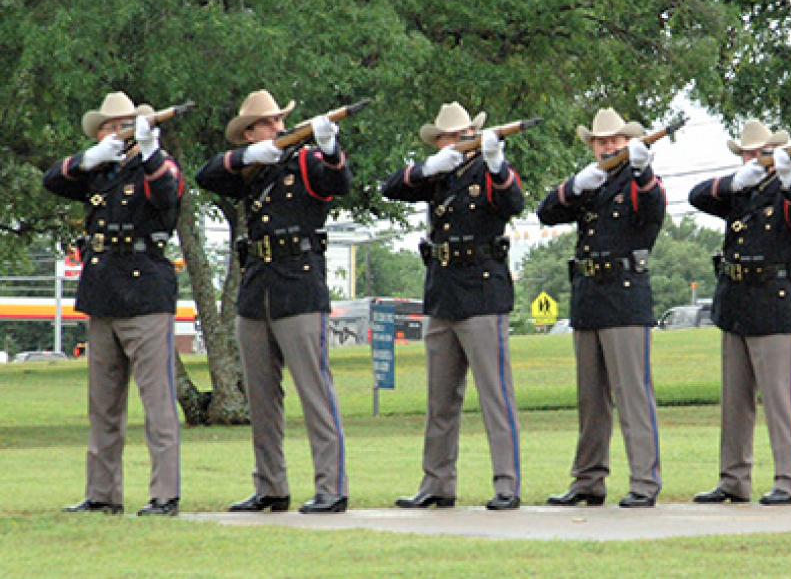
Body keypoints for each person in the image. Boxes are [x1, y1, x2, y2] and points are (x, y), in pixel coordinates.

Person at [195, 89, 350, 514]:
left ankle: (331, 487)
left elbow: (338, 182)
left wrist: (330, 148)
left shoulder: (303, 160)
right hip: (256, 287)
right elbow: (206, 175)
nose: (277, 128)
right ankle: (270, 486)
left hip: (298, 283)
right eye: (266, 123)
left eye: (279, 121)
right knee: (261, 398)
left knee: (315, 392)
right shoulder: (253, 167)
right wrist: (248, 157)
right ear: (249, 133)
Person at [45, 91, 183, 516]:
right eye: (110, 126)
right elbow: (53, 179)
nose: (117, 131)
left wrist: (149, 148)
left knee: (157, 402)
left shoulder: (153, 163)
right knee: (103, 404)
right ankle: (102, 494)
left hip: (145, 291)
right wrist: (87, 158)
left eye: (124, 124)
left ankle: (164, 494)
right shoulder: (98, 172)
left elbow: (167, 194)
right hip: (103, 291)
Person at [384, 102, 524, 511]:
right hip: (442, 289)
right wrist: (428, 167)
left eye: (461, 135)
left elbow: (513, 202)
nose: (455, 142)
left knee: (495, 395)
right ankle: (437, 483)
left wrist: (497, 163)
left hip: (482, 288)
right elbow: (392, 187)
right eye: (447, 137)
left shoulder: (489, 168)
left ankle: (506, 484)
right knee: (440, 399)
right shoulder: (438, 174)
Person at [537, 107, 666, 508]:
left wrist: (642, 173)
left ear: (627, 142)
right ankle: (588, 480)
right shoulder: (591, 182)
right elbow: (546, 213)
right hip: (589, 295)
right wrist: (573, 186)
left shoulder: (640, 180)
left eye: (613, 140)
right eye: (600, 141)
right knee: (591, 400)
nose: (607, 145)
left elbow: (652, 214)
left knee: (632, 397)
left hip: (625, 295)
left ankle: (645, 481)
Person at [688, 121, 791, 506]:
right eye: (746, 153)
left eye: (758, 152)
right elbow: (698, 197)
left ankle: (787, 481)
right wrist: (735, 181)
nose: (752, 159)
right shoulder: (739, 192)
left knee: (779, 399)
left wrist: (789, 179)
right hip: (736, 301)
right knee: (735, 400)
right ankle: (733, 479)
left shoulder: (790, 190)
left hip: (773, 300)